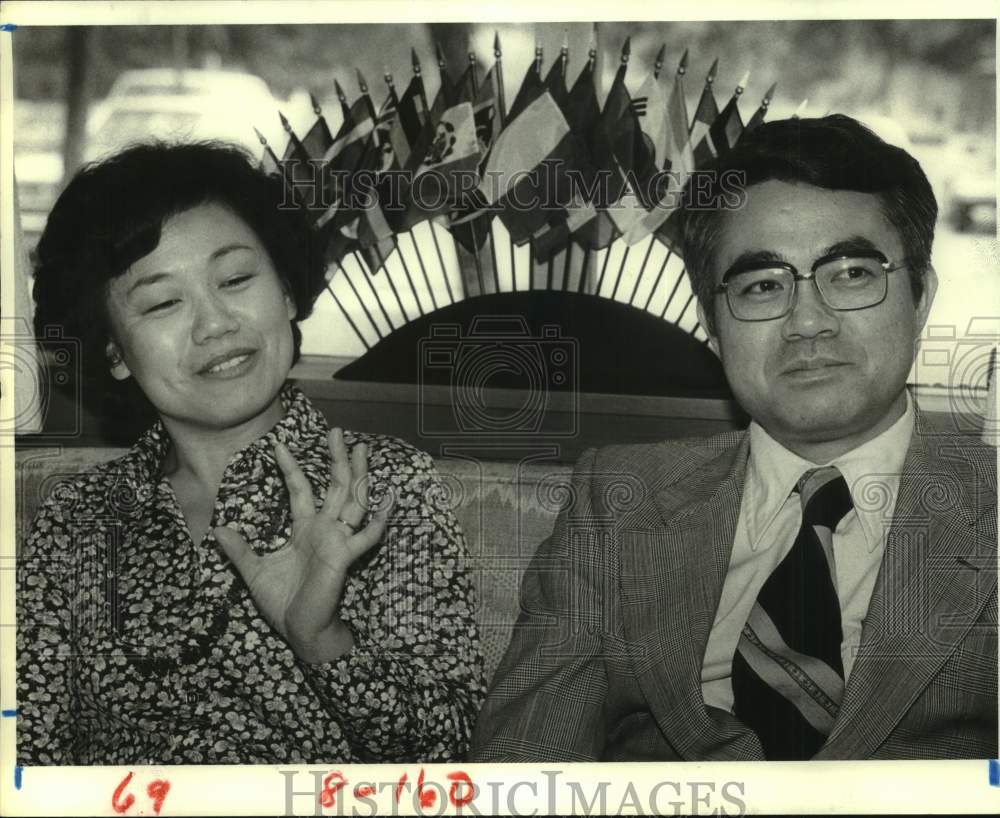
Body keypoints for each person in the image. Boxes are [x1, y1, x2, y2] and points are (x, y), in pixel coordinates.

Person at [472, 115, 997, 761]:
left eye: (852, 274)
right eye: (762, 286)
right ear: (713, 327)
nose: (808, 321)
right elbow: (523, 765)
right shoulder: (617, 501)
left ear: (921, 299)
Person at [17, 141, 485, 765]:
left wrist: (321, 639)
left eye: (236, 279)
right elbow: (27, 761)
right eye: (162, 303)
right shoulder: (76, 522)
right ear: (113, 354)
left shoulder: (384, 486)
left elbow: (450, 751)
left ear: (288, 294)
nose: (215, 325)